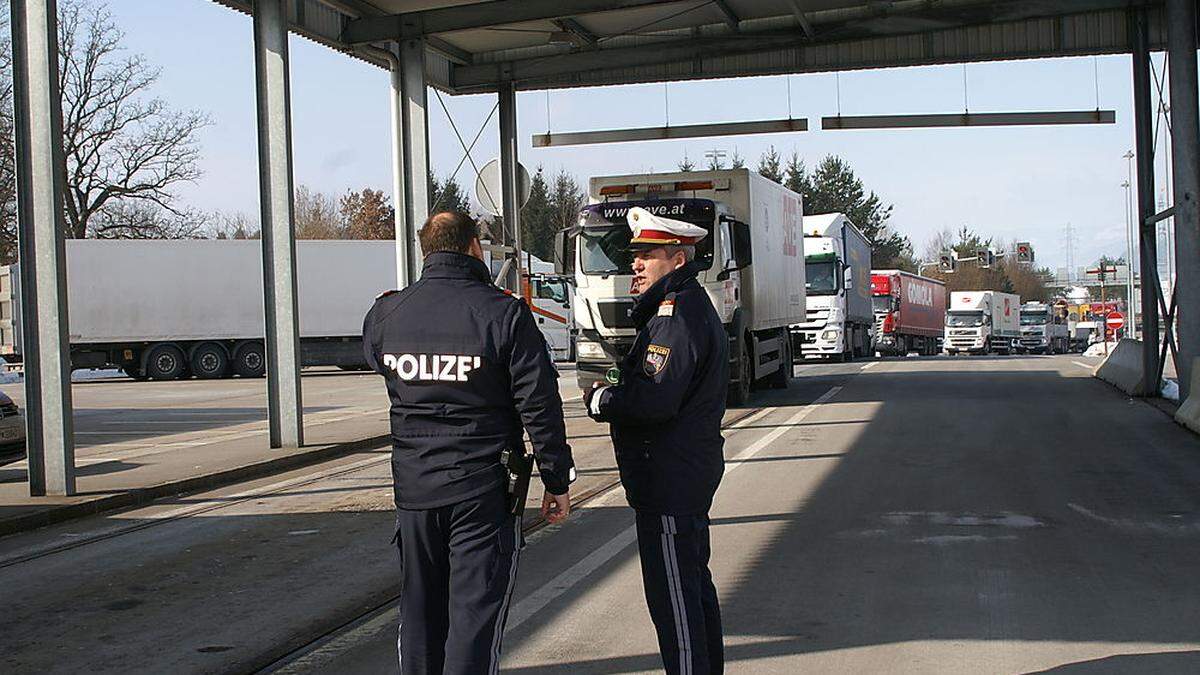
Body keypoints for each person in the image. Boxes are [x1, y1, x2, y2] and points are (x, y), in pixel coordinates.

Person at [362, 211, 576, 675]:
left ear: (425, 251)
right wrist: (556, 479)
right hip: (482, 491)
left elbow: (381, 364)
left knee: (419, 615)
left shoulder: (386, 313)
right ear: (475, 247)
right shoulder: (503, 314)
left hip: (415, 493)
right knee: (474, 620)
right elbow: (539, 405)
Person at [585, 206, 729, 674]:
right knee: (691, 590)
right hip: (680, 474)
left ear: (679, 259)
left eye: (649, 254)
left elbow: (653, 400)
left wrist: (602, 401)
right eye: (636, 255)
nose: (637, 264)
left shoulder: (674, 316)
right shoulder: (681, 309)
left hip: (670, 478)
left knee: (675, 605)